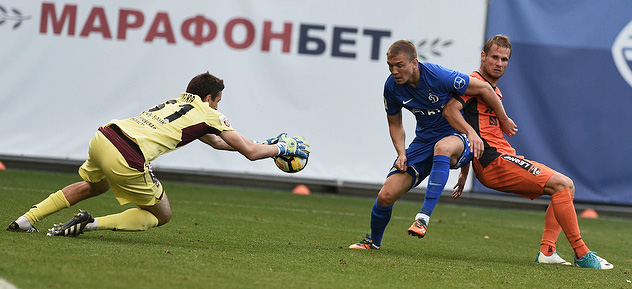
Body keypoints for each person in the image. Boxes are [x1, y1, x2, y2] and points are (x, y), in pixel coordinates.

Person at [7, 72, 310, 237]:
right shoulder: (208, 112)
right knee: (161, 215)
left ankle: (26, 219)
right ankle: (86, 224)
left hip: (105, 136)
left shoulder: (176, 102)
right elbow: (252, 154)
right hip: (128, 155)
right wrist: (280, 148)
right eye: (218, 101)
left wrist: (262, 143)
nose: (218, 107)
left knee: (94, 186)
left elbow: (219, 144)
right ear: (209, 98)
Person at [443, 35, 613, 269]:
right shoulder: (474, 82)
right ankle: (582, 254)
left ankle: (548, 251)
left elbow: (476, 126)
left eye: (504, 59)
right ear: (483, 56)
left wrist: (465, 171)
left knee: (567, 186)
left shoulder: (494, 90)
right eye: (494, 57)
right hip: (494, 161)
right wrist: (470, 144)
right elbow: (451, 111)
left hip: (501, 157)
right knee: (561, 184)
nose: (499, 63)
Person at [349, 40, 517, 250]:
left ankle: (423, 217)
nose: (394, 71)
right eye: (390, 65)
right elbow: (395, 123)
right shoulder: (391, 87)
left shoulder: (438, 76)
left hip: (458, 137)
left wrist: (504, 118)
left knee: (443, 147)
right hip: (424, 142)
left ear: (414, 64)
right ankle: (373, 242)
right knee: (386, 195)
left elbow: (484, 88)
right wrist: (401, 153)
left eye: (399, 65)